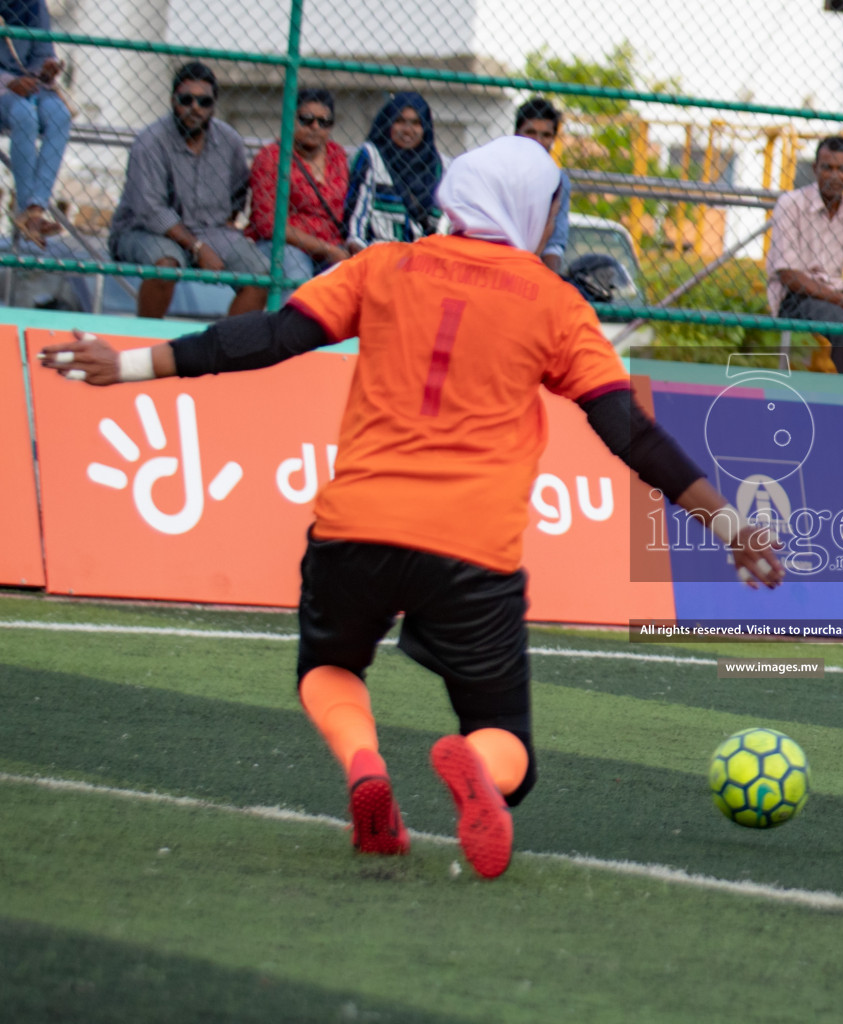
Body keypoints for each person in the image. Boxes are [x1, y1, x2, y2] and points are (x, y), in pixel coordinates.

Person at [40, 136, 784, 880]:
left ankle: (365, 765)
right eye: (554, 204)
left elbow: (271, 337)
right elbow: (627, 430)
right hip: (472, 551)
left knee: (328, 667)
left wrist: (132, 364)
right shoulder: (555, 304)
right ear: (526, 208)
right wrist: (728, 524)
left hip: (353, 529)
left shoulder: (383, 265)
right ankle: (479, 770)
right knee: (508, 748)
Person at [108, 62, 268, 319]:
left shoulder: (230, 141)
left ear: (213, 105)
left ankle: (225, 351)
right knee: (165, 267)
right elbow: (150, 211)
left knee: (260, 275)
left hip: (211, 230)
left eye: (204, 102)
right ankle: (148, 342)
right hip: (144, 231)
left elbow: (239, 191)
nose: (195, 108)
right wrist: (198, 247)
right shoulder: (150, 142)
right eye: (187, 100)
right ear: (173, 100)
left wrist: (223, 228)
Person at [765, 136, 843, 375]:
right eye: (827, 168)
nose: (834, 176)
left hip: (836, 294)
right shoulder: (791, 204)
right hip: (795, 296)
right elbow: (789, 275)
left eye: (842, 169)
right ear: (815, 169)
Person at [246, 87, 351, 285]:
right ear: (291, 119)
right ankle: (292, 317)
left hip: (335, 247)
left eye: (324, 122)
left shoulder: (337, 156)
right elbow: (268, 224)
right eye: (306, 120)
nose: (315, 127)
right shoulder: (271, 158)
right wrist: (325, 249)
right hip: (285, 245)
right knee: (297, 273)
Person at [0, 0, 71, 244]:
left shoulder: (32, 5)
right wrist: (9, 82)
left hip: (31, 85)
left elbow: (43, 53)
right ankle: (25, 210)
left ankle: (36, 208)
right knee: (24, 115)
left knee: (60, 115)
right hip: (4, 88)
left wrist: (47, 69)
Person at [345, 92, 443, 247]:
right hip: (378, 255)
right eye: (399, 121)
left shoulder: (438, 166)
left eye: (416, 123)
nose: (407, 130)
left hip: (423, 259)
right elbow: (355, 224)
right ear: (388, 123)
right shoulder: (371, 157)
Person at [513, 96, 570, 273]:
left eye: (546, 135)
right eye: (531, 132)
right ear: (517, 134)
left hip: (532, 269)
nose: (538, 140)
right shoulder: (499, 171)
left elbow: (554, 243)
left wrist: (550, 283)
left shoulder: (558, 181)